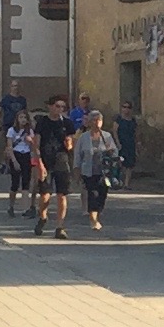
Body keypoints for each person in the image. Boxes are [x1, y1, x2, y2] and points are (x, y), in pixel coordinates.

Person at [30, 93, 76, 238]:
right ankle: (43, 217)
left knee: (62, 194)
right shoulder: (42, 122)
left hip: (61, 161)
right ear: (50, 107)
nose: (60, 109)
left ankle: (59, 227)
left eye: (63, 107)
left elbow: (71, 144)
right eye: (57, 106)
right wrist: (39, 164)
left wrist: (69, 143)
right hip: (45, 160)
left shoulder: (67, 123)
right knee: (45, 195)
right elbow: (36, 145)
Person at [71, 106, 118, 232]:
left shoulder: (107, 136)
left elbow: (115, 153)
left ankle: (98, 212)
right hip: (89, 171)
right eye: (94, 120)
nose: (97, 122)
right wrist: (76, 170)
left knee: (102, 194)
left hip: (104, 172)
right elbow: (78, 155)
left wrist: (111, 151)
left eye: (99, 120)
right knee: (92, 194)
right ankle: (94, 220)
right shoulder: (83, 137)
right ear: (90, 122)